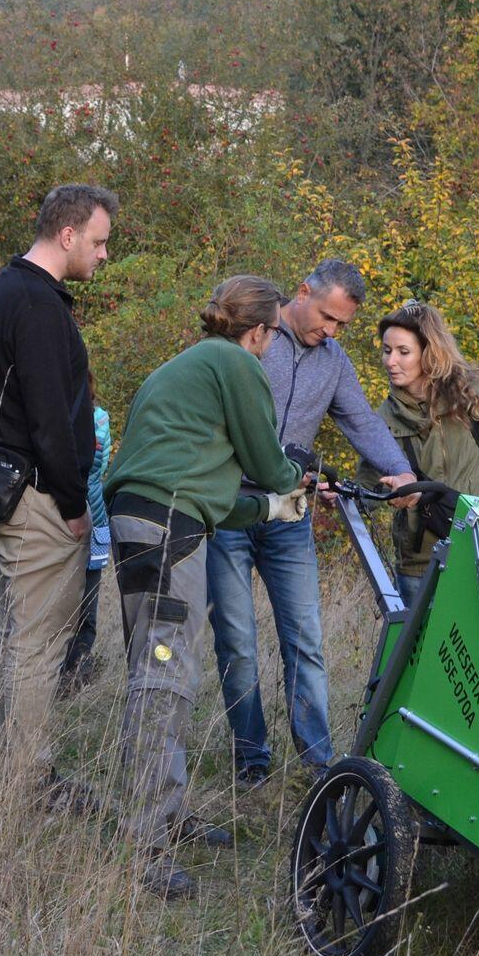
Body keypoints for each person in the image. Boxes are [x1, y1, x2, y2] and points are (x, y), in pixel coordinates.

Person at [103, 275, 311, 898]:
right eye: (274, 334)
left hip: (150, 520)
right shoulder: (235, 363)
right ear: (259, 330)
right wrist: (298, 479)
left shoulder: (186, 364)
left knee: (160, 668)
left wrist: (272, 512)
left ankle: (167, 813)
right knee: (163, 678)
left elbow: (210, 496)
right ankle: (145, 844)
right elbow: (268, 462)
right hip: (168, 529)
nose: (273, 345)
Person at [207, 258, 416, 787]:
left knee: (305, 636)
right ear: (301, 292)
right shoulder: (253, 335)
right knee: (237, 639)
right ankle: (252, 761)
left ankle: (319, 764)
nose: (332, 330)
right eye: (327, 317)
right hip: (228, 510)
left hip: (287, 515)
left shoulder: (334, 361)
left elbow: (361, 421)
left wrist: (400, 472)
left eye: (342, 324)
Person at [0, 183, 116, 804]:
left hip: (7, 488)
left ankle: (22, 769)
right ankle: (24, 783)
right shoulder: (34, 301)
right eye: (100, 241)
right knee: (37, 647)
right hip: (35, 498)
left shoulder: (10, 289)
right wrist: (75, 500)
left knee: (21, 640)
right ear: (68, 235)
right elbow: (50, 417)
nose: (104, 254)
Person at [363, 301, 479, 605]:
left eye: (403, 352)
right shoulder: (382, 419)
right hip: (417, 567)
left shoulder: (476, 400)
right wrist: (344, 495)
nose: (390, 361)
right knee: (414, 653)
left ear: (429, 353)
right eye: (387, 350)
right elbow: (367, 492)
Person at [58, 375, 112, 692]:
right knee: (71, 603)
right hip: (70, 520)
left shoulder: (98, 418)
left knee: (87, 604)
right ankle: (64, 671)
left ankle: (77, 673)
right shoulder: (92, 419)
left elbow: (95, 466)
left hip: (92, 521)